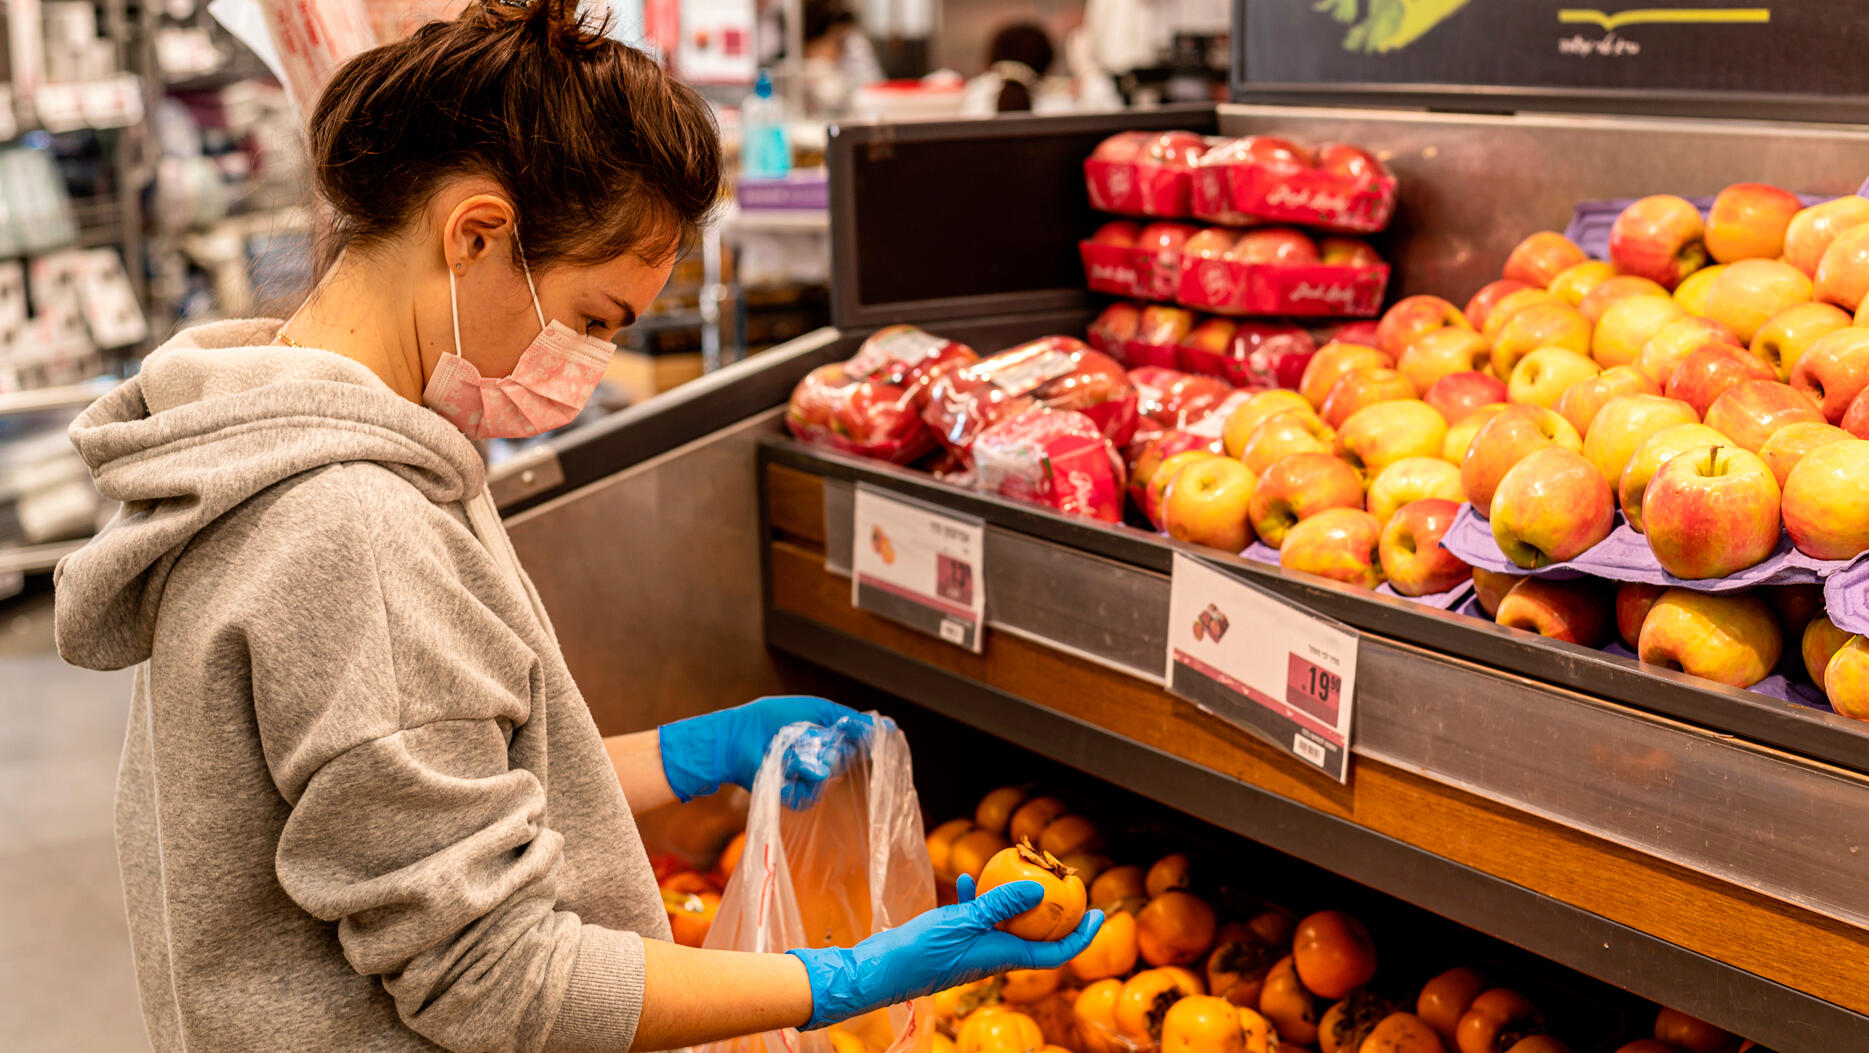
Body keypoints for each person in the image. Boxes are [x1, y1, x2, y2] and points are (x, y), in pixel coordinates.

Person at [51, 3, 1101, 1051]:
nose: (588, 363)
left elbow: (415, 785)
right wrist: (837, 980)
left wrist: (685, 757)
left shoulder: (284, 438)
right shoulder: (350, 527)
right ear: (475, 234)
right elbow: (494, 980)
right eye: (595, 319)